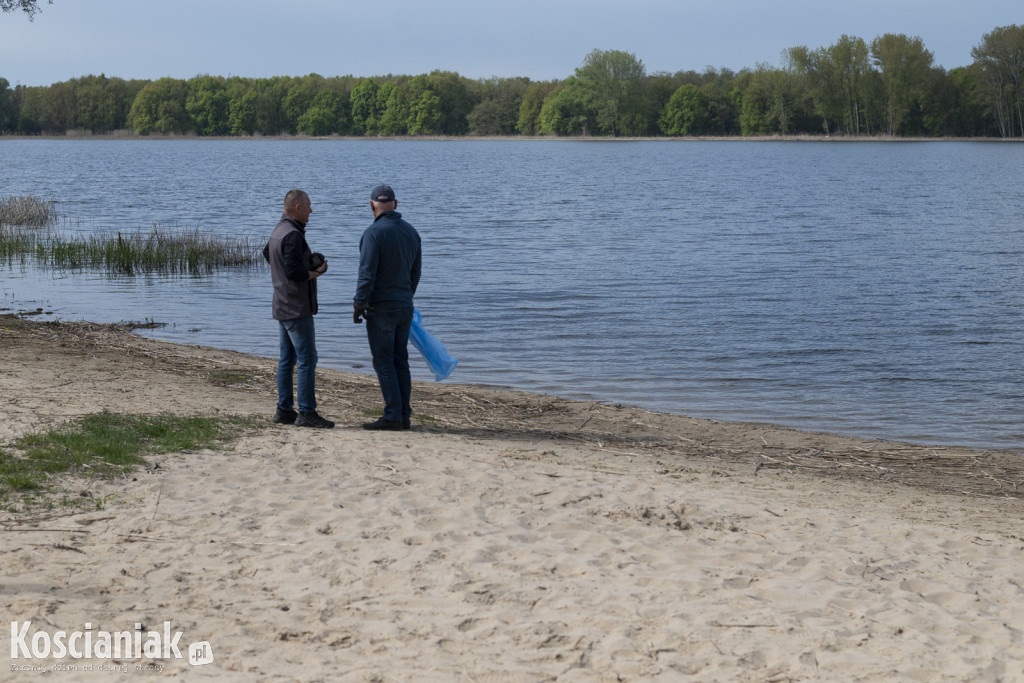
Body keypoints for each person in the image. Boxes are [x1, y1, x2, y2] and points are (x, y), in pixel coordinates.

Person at [263, 189, 334, 429]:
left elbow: (268, 255)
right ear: (298, 208)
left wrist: (301, 264)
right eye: (309, 206)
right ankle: (306, 412)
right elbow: (293, 272)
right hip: (295, 307)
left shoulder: (278, 230)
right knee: (306, 359)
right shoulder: (292, 235)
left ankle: (284, 410)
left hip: (282, 304)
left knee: (287, 359)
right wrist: (317, 272)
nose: (311, 210)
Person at [353, 184, 422, 430]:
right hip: (405, 305)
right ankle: (403, 414)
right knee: (400, 360)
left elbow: (367, 273)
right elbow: (416, 273)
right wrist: (406, 297)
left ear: (372, 205)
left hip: (382, 307)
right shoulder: (411, 232)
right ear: (396, 203)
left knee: (384, 361)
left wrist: (358, 303)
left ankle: (393, 414)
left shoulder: (373, 234)